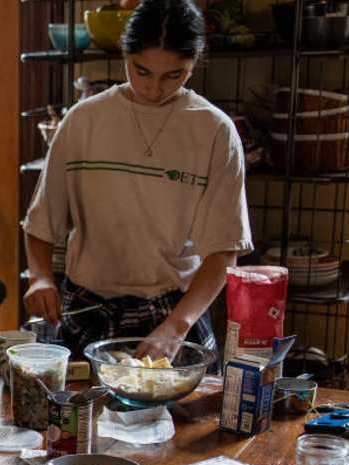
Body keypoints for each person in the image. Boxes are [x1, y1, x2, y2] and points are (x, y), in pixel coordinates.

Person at [23, 0, 252, 360]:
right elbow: (41, 223)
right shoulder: (83, 121)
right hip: (87, 308)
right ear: (124, 54)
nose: (154, 88)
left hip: (173, 312)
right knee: (78, 400)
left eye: (173, 75)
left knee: (179, 400)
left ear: (194, 63)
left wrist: (176, 327)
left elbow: (224, 251)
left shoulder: (215, 132)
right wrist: (40, 277)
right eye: (141, 71)